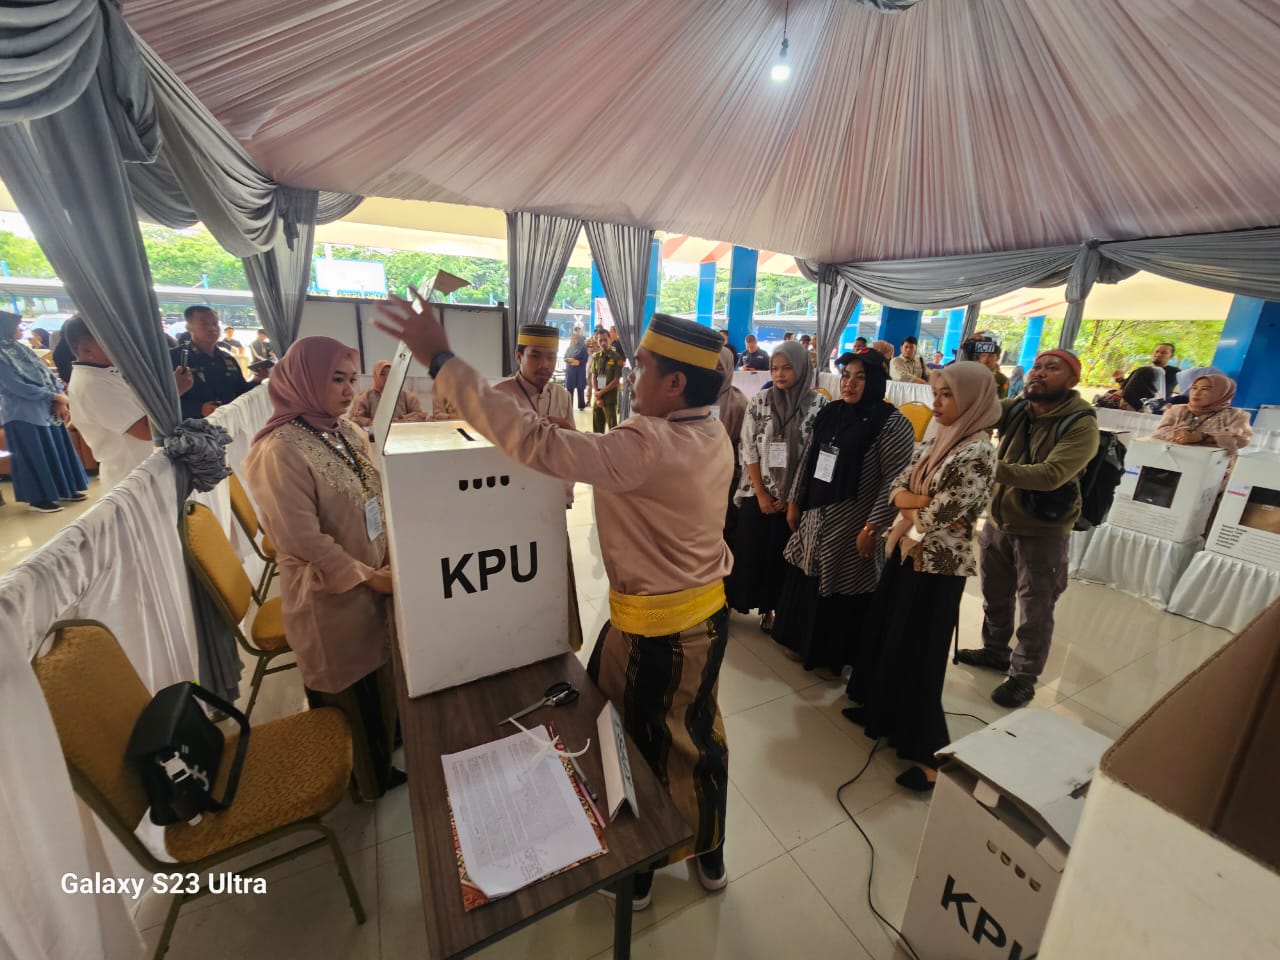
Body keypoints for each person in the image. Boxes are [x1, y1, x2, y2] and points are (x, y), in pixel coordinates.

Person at [374, 297, 735, 908]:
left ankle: (644, 869)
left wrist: (441, 356)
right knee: (696, 727)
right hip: (700, 613)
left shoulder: (646, 443)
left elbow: (532, 441)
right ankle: (711, 847)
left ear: (674, 382)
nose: (627, 374)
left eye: (640, 366)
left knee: (651, 742)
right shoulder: (707, 427)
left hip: (662, 631)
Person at [241, 337, 401, 802]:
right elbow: (300, 539)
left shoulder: (347, 432)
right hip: (328, 596)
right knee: (347, 691)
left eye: (353, 379)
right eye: (337, 379)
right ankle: (363, 781)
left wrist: (387, 556)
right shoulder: (280, 451)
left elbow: (374, 500)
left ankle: (386, 750)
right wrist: (370, 575)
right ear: (304, 380)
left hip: (372, 578)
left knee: (380, 674)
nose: (349, 390)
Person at [844, 362, 1001, 791]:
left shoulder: (978, 453)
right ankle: (881, 711)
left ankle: (927, 753)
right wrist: (912, 499)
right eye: (937, 392)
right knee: (888, 634)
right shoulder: (940, 437)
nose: (937, 402)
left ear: (971, 400)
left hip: (938, 566)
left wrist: (910, 502)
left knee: (920, 655)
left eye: (947, 395)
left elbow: (935, 516)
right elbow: (898, 484)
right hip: (906, 550)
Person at [956, 350, 1100, 708]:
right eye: (1036, 366)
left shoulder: (1081, 424)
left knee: (1036, 606)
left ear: (1072, 381)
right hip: (1000, 520)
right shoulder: (1018, 408)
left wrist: (987, 465)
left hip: (1043, 529)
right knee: (994, 593)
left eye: (1052, 369)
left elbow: (1051, 475)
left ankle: (1024, 676)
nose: (1039, 373)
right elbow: (976, 407)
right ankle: (994, 650)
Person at [772, 351, 914, 673]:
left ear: (876, 381)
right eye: (846, 375)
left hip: (853, 521)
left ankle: (833, 655)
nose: (849, 383)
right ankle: (800, 642)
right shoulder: (832, 411)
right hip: (815, 513)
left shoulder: (892, 424)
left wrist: (872, 529)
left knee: (842, 581)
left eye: (860, 377)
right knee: (807, 571)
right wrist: (795, 501)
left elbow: (892, 483)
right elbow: (809, 459)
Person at [728, 340, 827, 633]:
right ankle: (731, 604)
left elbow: (814, 455)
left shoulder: (818, 405)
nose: (780, 374)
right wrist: (760, 492)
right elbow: (748, 448)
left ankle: (770, 610)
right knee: (747, 550)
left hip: (794, 499)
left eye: (786, 368)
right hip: (756, 492)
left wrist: (793, 499)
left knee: (779, 556)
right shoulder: (760, 401)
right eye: (774, 368)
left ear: (801, 368)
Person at [61, 316, 193, 491]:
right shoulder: (93, 384)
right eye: (112, 341)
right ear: (87, 350)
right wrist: (174, 391)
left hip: (149, 469)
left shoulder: (108, 373)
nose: (122, 346)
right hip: (132, 475)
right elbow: (145, 431)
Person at [0, 311, 88, 512]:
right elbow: (15, 386)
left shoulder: (22, 350)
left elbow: (46, 373)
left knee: (57, 450)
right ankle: (39, 498)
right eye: (16, 326)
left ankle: (66, 489)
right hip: (23, 414)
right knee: (34, 455)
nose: (20, 330)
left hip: (48, 409)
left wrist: (59, 398)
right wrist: (54, 397)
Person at [170, 305, 253, 419]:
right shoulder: (174, 358)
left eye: (215, 324)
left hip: (230, 425)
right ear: (189, 327)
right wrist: (199, 409)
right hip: (192, 429)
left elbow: (241, 390)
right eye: (204, 324)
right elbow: (161, 402)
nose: (212, 328)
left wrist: (258, 380)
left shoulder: (227, 359)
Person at [1152, 373, 1252, 468]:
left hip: (1214, 468)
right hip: (1173, 464)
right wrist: (1179, 434)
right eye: (1194, 388)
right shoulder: (1177, 410)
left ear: (1221, 393)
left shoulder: (1236, 415)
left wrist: (1201, 437)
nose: (1197, 393)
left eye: (1205, 389)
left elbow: (1240, 439)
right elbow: (1159, 431)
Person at [714, 346, 749, 539]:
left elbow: (746, 447)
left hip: (728, 477)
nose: (713, 373)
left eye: (719, 368)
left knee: (725, 528)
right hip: (697, 477)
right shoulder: (694, 398)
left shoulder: (739, 403)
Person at [349, 359, 428, 427]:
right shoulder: (365, 397)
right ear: (376, 375)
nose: (387, 378)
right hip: (375, 438)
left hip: (402, 435)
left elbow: (419, 415)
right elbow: (355, 418)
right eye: (382, 374)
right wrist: (373, 423)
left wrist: (402, 420)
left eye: (390, 374)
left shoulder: (407, 396)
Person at [1120, 342, 1180, 411]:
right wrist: (1119, 379)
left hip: (1153, 409)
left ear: (1171, 356)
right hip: (1128, 406)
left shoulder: (1174, 372)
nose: (1158, 355)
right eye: (1156, 351)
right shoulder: (1140, 371)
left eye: (1164, 353)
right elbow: (1124, 389)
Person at [587, 327, 624, 432]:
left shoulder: (616, 358)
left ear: (610, 340)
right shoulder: (596, 357)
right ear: (597, 341)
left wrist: (601, 393)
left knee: (613, 428)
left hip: (609, 398)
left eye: (605, 340)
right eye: (600, 340)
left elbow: (616, 381)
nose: (603, 343)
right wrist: (597, 394)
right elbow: (594, 375)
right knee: (597, 427)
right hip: (598, 397)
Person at [563, 332, 590, 410]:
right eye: (572, 338)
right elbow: (565, 357)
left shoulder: (583, 348)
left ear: (579, 339)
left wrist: (578, 362)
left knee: (580, 389)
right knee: (569, 389)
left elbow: (585, 359)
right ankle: (569, 407)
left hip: (580, 371)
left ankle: (581, 406)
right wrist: (569, 360)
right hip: (570, 371)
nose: (573, 340)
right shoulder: (570, 347)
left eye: (575, 338)